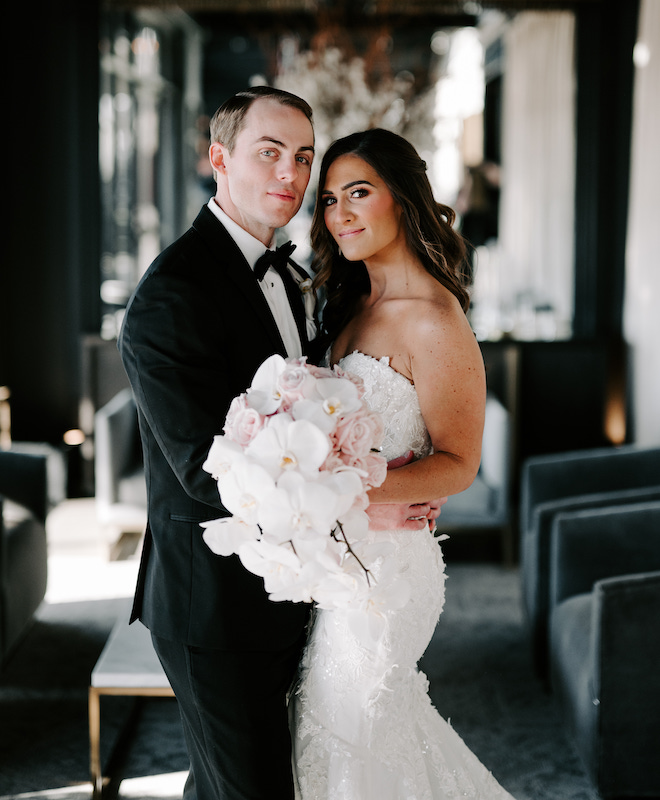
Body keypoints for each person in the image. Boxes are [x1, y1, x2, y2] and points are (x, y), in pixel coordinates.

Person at [118, 88, 443, 800]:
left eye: (301, 156)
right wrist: (359, 507)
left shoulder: (295, 276)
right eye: (269, 153)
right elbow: (212, 474)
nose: (290, 175)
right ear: (218, 159)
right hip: (215, 608)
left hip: (290, 589)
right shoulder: (174, 294)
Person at [290, 128, 517, 799]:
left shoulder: (434, 321)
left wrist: (352, 488)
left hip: (386, 576)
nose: (341, 214)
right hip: (334, 565)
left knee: (357, 728)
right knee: (329, 730)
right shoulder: (349, 305)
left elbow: (459, 463)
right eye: (329, 199)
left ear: (404, 199)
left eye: (359, 192)